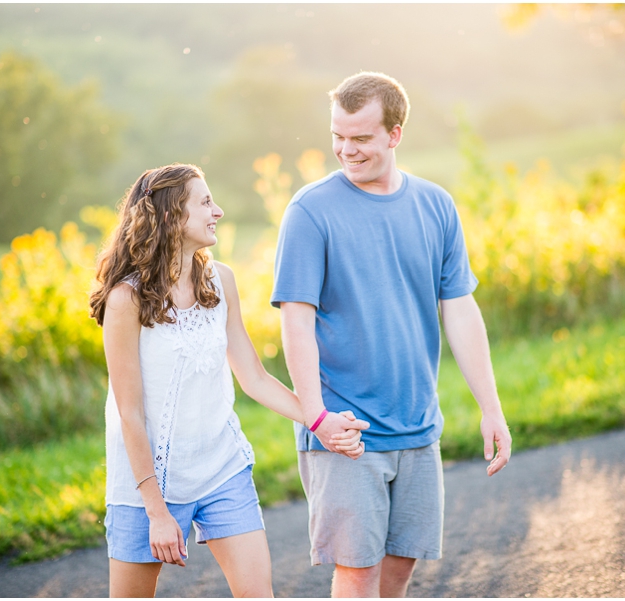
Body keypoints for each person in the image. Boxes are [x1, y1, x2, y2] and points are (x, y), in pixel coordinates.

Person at [271, 72, 513, 597]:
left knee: (400, 569)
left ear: (395, 134)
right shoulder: (310, 212)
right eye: (337, 135)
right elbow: (296, 322)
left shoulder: (435, 206)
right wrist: (317, 417)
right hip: (346, 430)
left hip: (418, 425)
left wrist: (490, 406)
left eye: (360, 138)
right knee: (357, 573)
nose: (345, 150)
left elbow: (461, 310)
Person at [88, 163, 369, 598]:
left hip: (222, 469)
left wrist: (320, 422)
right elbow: (130, 412)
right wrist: (157, 511)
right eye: (204, 202)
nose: (217, 211)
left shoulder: (221, 281)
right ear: (169, 217)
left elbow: (254, 377)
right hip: (148, 486)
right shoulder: (126, 298)